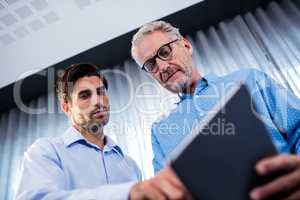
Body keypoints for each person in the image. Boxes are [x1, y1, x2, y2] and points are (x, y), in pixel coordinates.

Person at [131, 20, 300, 200]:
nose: (162, 67)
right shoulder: (160, 131)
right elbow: (165, 193)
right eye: (151, 65)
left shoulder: (249, 79)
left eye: (165, 52)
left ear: (186, 46)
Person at [15, 63, 191, 200]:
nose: (98, 101)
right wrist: (128, 193)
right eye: (85, 95)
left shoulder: (130, 165)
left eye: (101, 92)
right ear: (66, 108)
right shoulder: (46, 151)